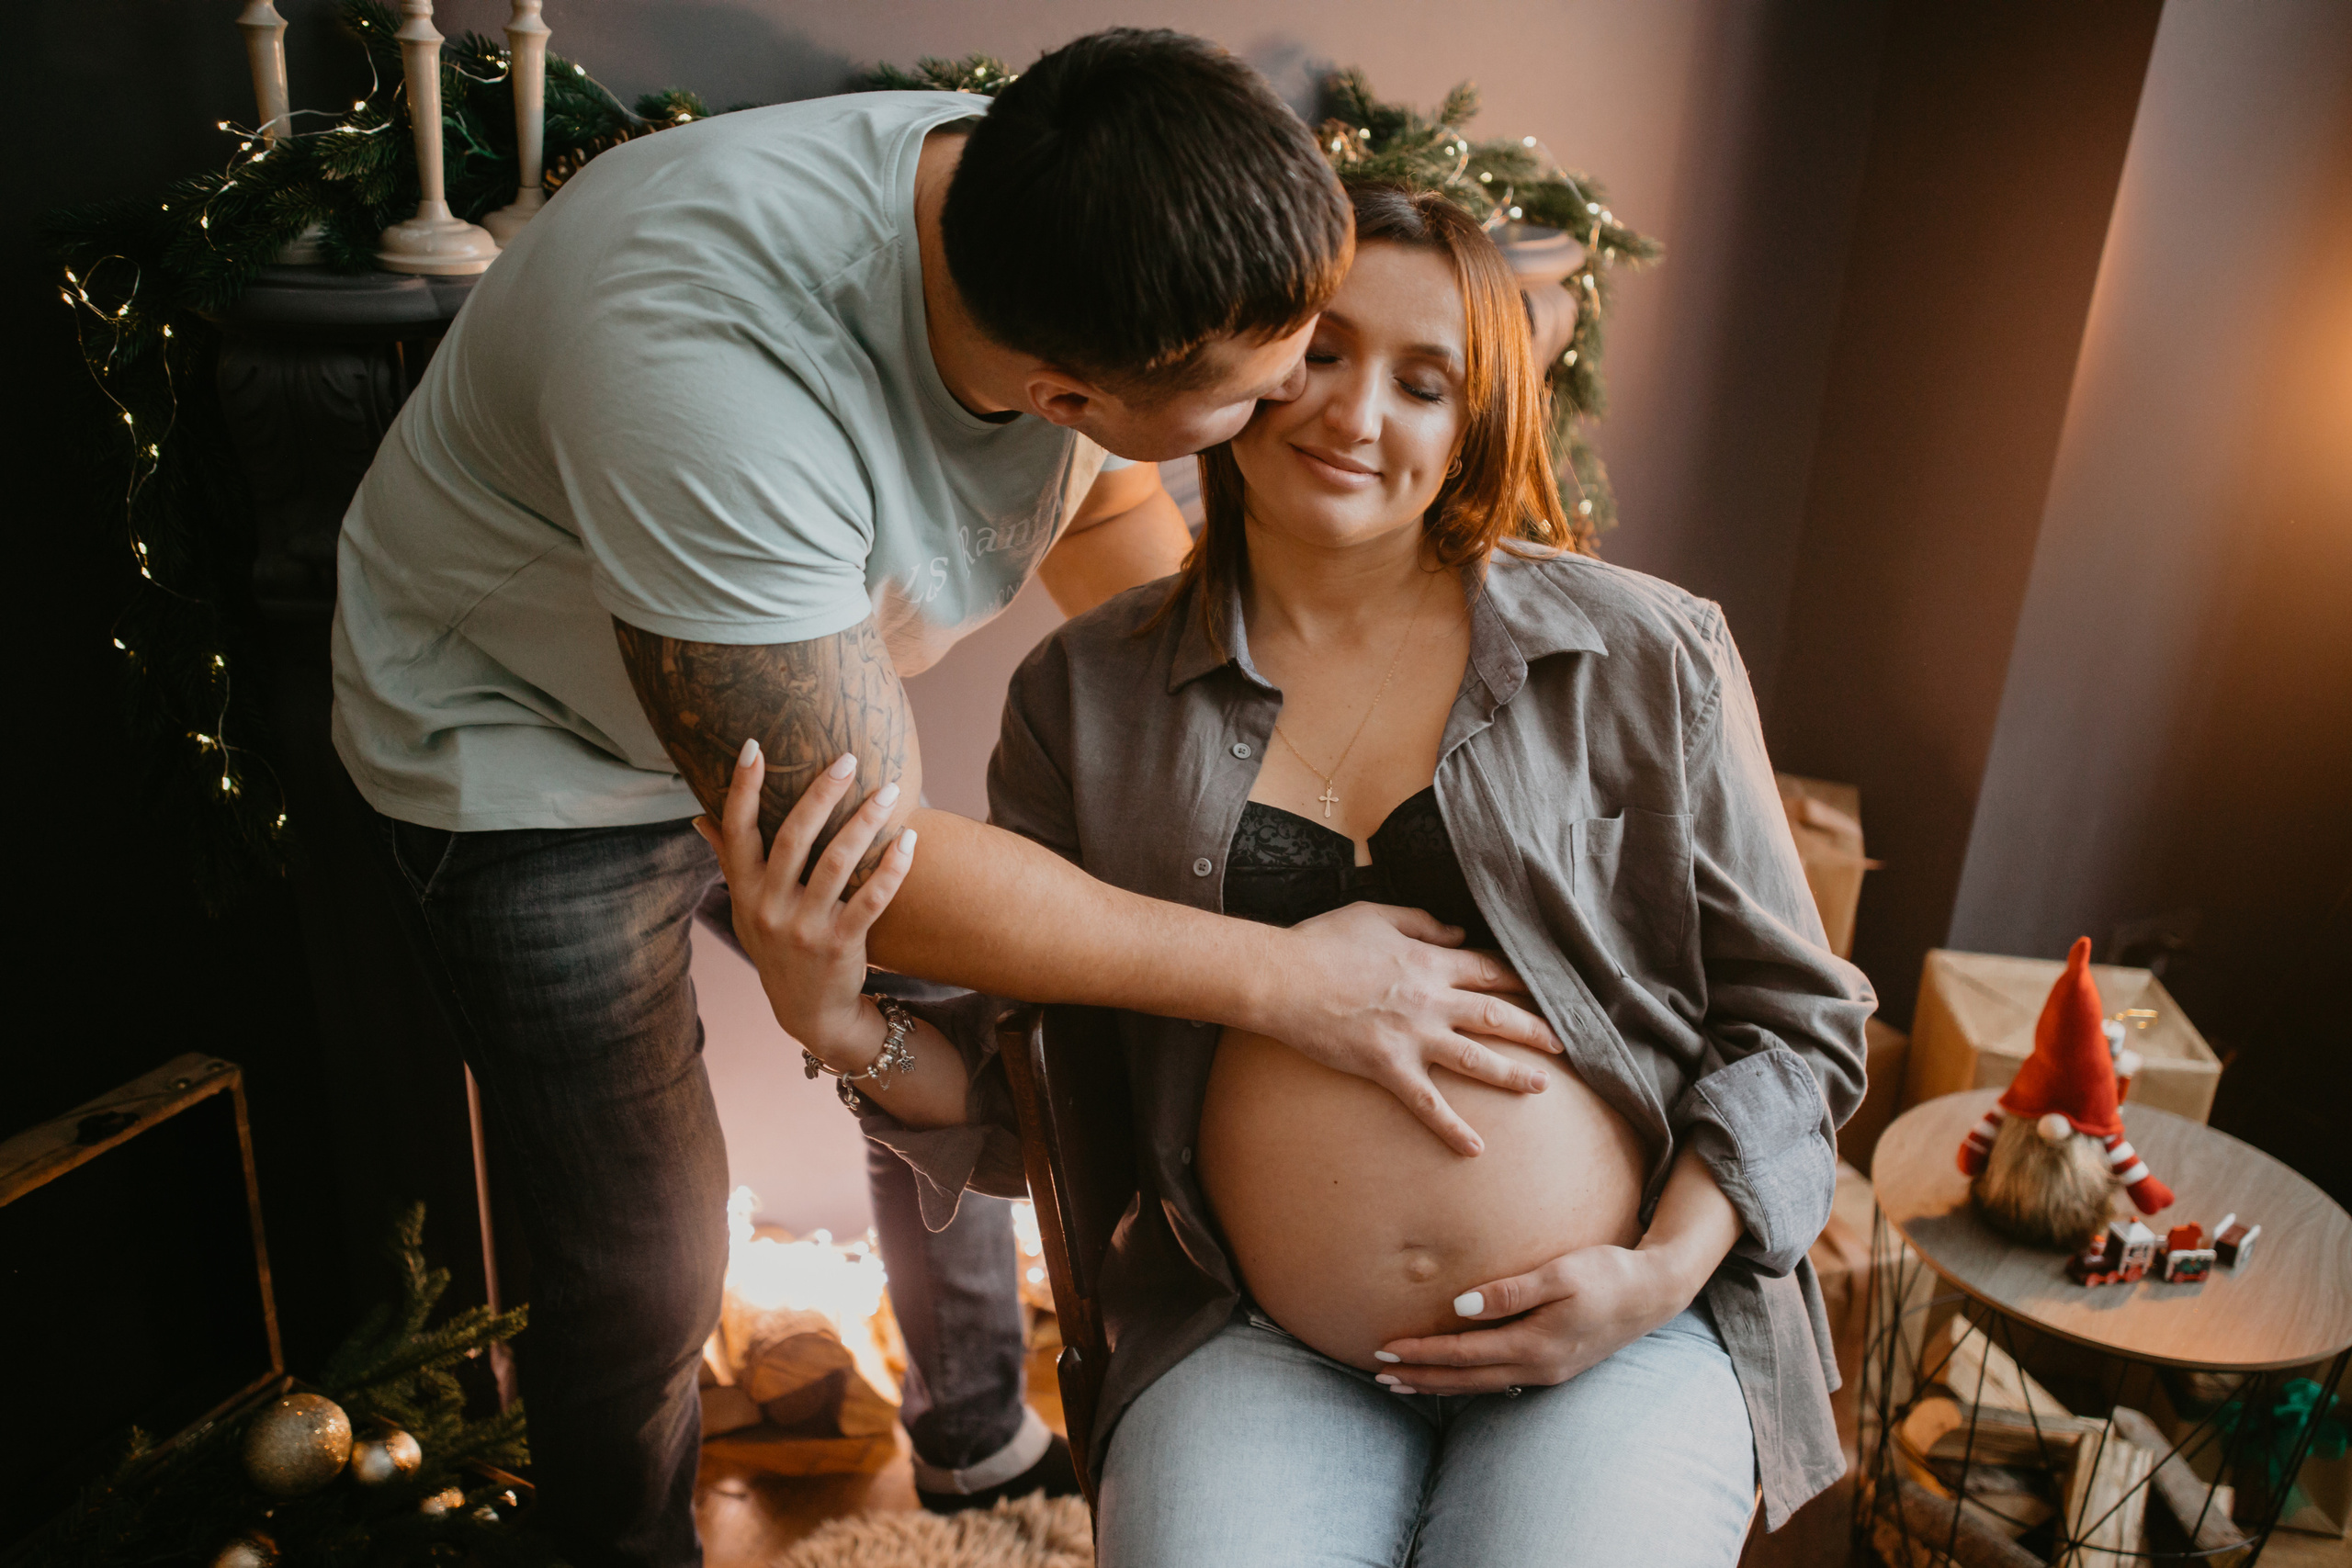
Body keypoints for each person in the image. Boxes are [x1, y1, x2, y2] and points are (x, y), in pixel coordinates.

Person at [330, 31, 1570, 1568]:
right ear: (1061, 388)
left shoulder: (1085, 206)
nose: (1292, 418)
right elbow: (879, 873)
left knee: (999, 1042)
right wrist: (1294, 976)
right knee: (641, 1256)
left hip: (782, 702)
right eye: (1253, 399)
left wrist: (1287, 739)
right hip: (523, 753)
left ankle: (978, 1433)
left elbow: (1114, 499)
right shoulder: (707, 364)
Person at [711, 182, 1875, 1566]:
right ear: (1243, 362)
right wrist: (836, 1020)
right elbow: (1046, 1090)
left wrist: (1656, 1274)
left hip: (1619, 1325)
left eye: (1424, 382)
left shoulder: (1646, 657)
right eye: (1322, 351)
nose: (1356, 412)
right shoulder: (1086, 696)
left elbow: (1799, 1028)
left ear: (1475, 425)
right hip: (1257, 1334)